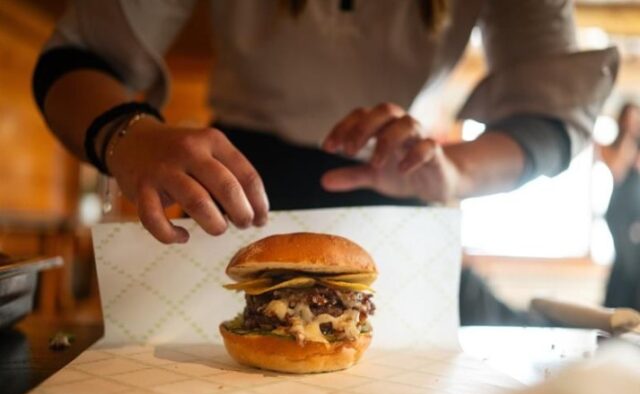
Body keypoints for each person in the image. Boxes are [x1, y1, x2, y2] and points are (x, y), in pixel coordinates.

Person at [33, 1, 618, 323]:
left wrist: (454, 170)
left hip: (401, 198)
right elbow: (77, 55)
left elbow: (553, 115)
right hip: (233, 198)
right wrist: (131, 136)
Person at [599, 103, 640, 310]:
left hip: (636, 215)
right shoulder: (615, 147)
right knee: (626, 264)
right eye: (629, 118)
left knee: (635, 264)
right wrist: (628, 139)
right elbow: (618, 171)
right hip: (620, 215)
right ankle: (616, 309)